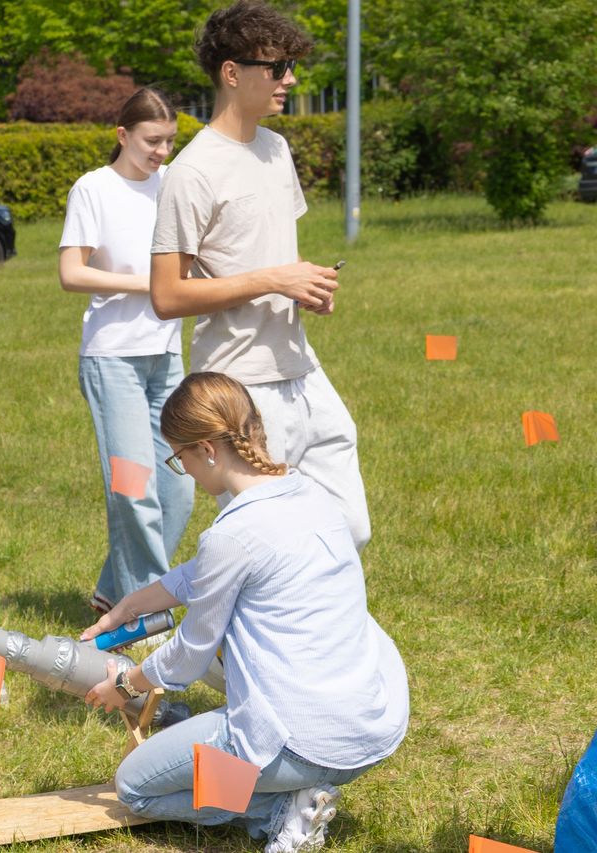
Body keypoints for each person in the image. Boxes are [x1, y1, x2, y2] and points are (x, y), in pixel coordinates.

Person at [81, 372, 408, 853]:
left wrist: (126, 685)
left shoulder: (232, 535)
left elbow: (189, 655)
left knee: (135, 787)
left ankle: (277, 809)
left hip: (302, 743)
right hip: (372, 729)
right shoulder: (307, 493)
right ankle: (292, 793)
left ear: (206, 449)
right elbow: (195, 575)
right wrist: (125, 609)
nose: (185, 470)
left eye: (180, 458)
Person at [149, 0, 371, 551]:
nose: (289, 80)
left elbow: (268, 252)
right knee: (266, 543)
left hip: (299, 365)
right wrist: (274, 280)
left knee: (350, 529)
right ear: (232, 73)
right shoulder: (192, 172)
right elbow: (167, 294)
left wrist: (304, 288)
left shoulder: (277, 149)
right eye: (277, 68)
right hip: (238, 381)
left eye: (290, 67)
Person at [59, 86, 195, 617]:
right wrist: (149, 285)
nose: (162, 151)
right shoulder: (93, 189)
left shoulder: (172, 185)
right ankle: (145, 613)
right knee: (134, 488)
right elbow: (71, 273)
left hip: (167, 356)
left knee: (179, 490)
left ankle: (115, 592)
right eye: (151, 141)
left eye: (169, 141)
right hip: (112, 358)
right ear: (122, 135)